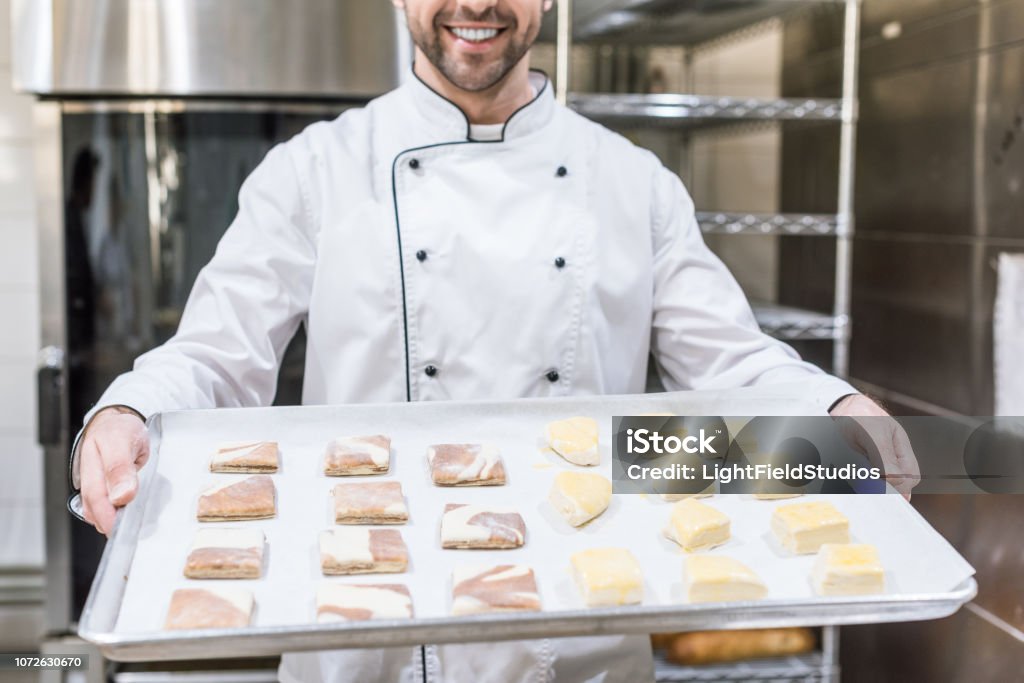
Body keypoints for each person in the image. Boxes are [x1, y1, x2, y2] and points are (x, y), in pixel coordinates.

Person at [72, 1, 918, 681]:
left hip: (576, 643)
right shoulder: (315, 170)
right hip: (364, 639)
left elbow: (732, 365)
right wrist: (129, 407)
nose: (475, 6)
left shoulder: (631, 182)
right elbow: (217, 354)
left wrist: (829, 407)